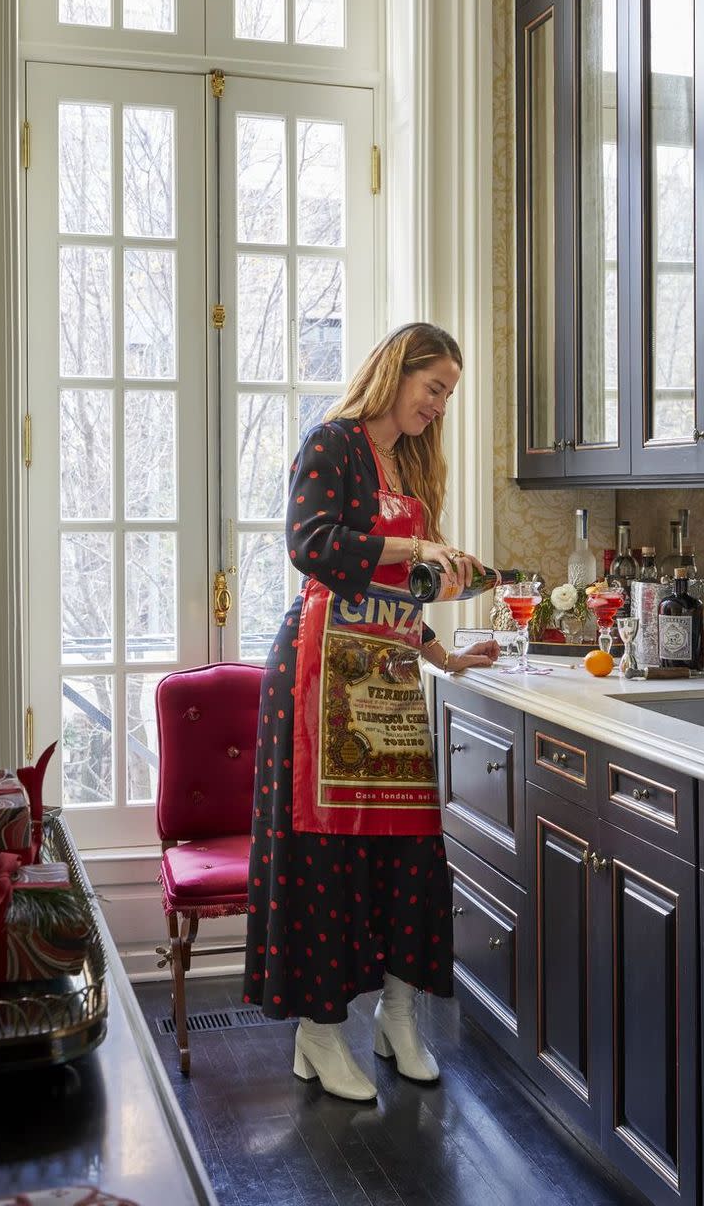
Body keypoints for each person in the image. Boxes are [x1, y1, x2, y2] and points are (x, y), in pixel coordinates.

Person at [243, 322, 500, 1102]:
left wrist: (444, 654)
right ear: (396, 373)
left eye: (450, 394)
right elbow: (312, 543)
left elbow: (389, 597)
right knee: (325, 857)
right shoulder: (333, 441)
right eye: (434, 387)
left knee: (410, 854)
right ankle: (319, 1035)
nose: (441, 405)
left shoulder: (409, 466)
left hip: (386, 676)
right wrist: (415, 550)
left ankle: (398, 1015)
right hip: (318, 678)